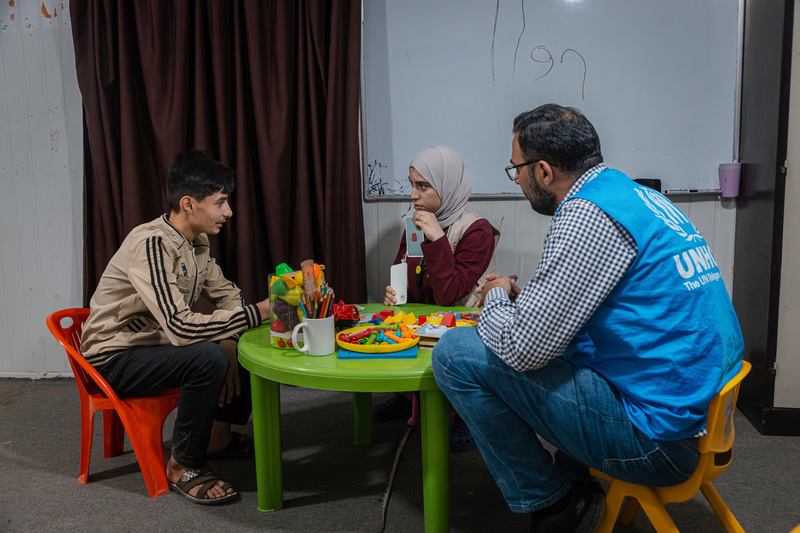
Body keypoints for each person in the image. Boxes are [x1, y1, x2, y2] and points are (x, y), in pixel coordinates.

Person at [431, 104, 744, 532]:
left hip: (662, 445)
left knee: (454, 354)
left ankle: (551, 503)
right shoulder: (637, 197)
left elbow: (523, 350)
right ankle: (580, 478)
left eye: (516, 169)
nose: (518, 180)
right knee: (575, 342)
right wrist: (532, 302)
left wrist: (500, 296)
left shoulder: (586, 216)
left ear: (543, 172)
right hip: (707, 420)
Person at [80, 150, 270, 505]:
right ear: (188, 203)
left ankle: (218, 437)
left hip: (150, 346)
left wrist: (231, 338)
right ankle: (183, 465)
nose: (228, 212)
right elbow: (181, 328)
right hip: (111, 357)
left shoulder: (197, 243)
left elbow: (229, 296)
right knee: (208, 357)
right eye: (221, 203)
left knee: (240, 340)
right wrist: (260, 312)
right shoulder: (152, 243)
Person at [374, 145, 500, 452]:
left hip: (463, 322)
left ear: (447, 185)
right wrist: (395, 293)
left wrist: (438, 238)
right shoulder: (417, 222)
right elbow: (407, 272)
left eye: (423, 186)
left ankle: (467, 416)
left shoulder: (477, 230)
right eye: (412, 185)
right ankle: (409, 396)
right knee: (383, 330)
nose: (413, 195)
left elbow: (450, 294)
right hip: (427, 319)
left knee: (459, 367)